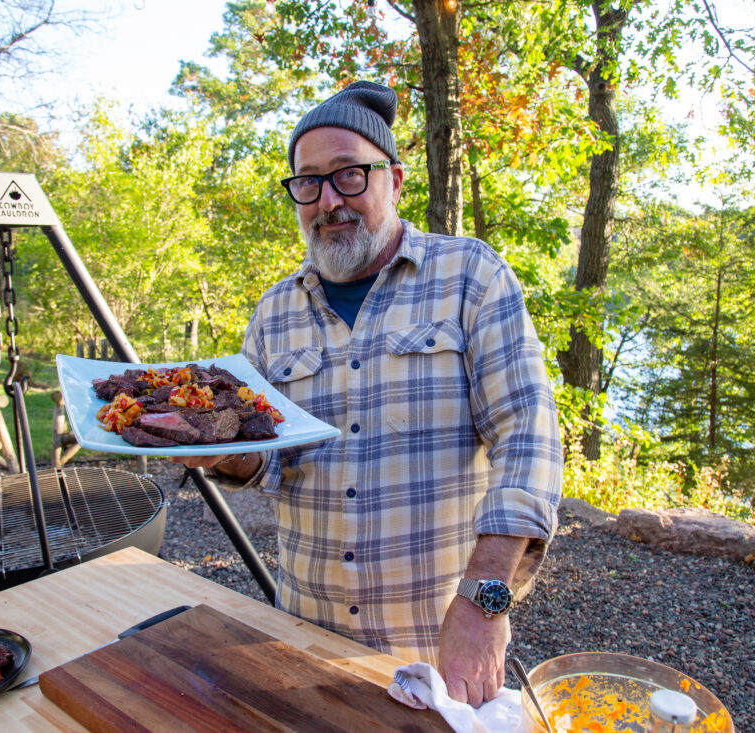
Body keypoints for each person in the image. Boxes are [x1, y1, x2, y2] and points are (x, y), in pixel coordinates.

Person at [173, 80, 563, 708]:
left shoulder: (470, 275)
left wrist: (484, 603)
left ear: (395, 179)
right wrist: (214, 451)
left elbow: (530, 437)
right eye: (308, 181)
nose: (328, 200)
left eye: (349, 174)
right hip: (299, 634)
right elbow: (265, 457)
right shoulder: (274, 313)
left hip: (434, 646)